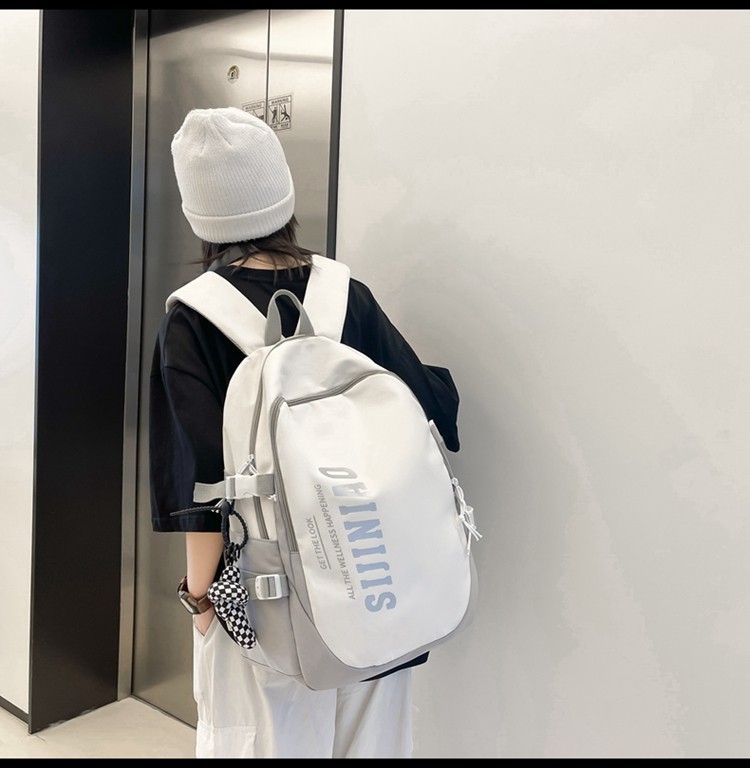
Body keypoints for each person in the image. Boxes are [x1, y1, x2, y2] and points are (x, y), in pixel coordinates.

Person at [149, 106, 461, 759]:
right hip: (377, 592)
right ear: (283, 196)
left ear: (199, 218)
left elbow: (200, 491)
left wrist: (201, 603)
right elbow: (430, 409)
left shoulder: (193, 319)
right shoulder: (348, 295)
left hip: (263, 608)